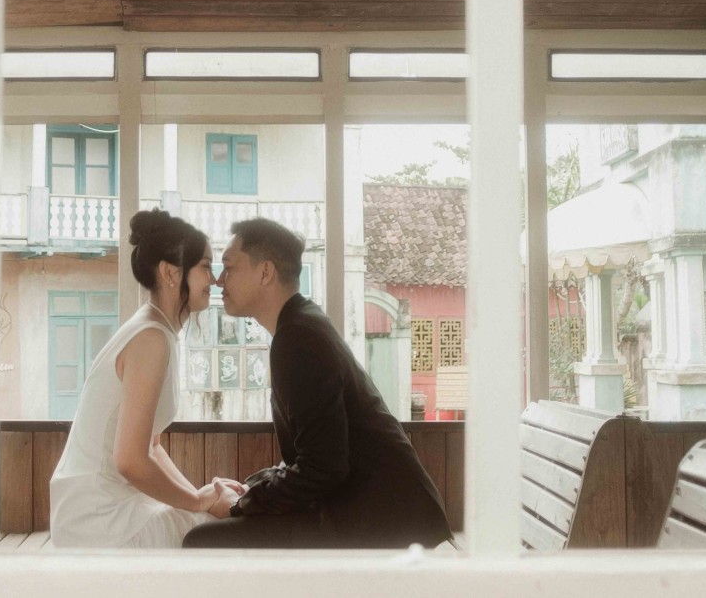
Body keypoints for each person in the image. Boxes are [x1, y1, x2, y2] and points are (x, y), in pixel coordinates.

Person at [182, 217, 454, 549]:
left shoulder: (297, 338)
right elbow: (316, 456)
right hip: (379, 513)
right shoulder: (302, 324)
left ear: (265, 272)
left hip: (380, 522)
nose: (219, 280)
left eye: (229, 267)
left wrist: (241, 505)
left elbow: (323, 467)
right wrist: (252, 488)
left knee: (200, 542)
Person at [49, 209, 243, 548]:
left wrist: (198, 499)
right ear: (170, 272)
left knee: (215, 523)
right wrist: (198, 502)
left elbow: (151, 447)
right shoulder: (150, 338)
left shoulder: (155, 329)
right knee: (225, 539)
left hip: (104, 508)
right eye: (205, 266)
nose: (213, 280)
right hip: (98, 520)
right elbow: (131, 462)